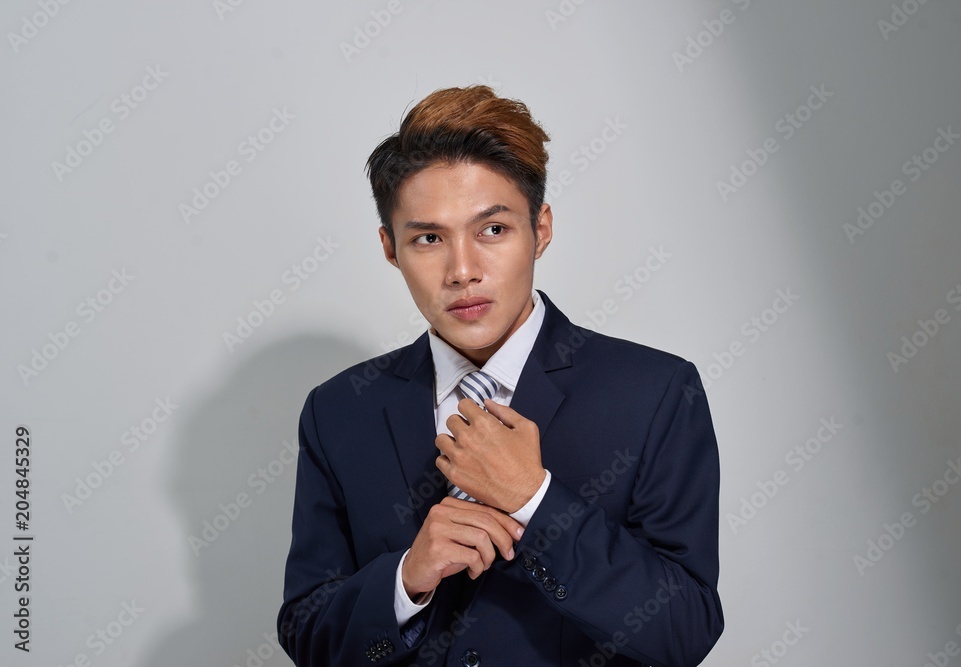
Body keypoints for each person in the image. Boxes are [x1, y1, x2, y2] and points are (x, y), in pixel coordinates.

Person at [276, 84, 724, 666]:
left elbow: (683, 632)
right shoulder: (338, 411)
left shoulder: (656, 393)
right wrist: (406, 581)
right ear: (390, 248)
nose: (462, 271)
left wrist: (535, 501)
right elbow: (308, 636)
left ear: (540, 230)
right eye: (429, 238)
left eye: (493, 230)